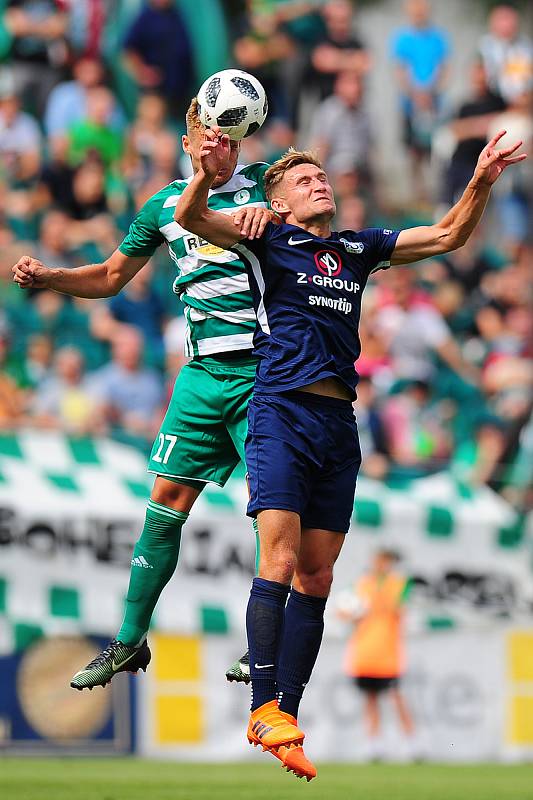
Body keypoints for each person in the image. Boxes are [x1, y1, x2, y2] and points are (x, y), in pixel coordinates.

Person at [172, 123, 525, 780]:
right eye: (304, 180)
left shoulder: (356, 249)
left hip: (340, 425)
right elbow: (191, 216)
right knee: (276, 558)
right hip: (281, 412)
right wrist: (204, 169)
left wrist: (479, 179)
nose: (319, 182)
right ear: (278, 202)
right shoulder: (265, 237)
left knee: (318, 577)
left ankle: (286, 716)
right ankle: (261, 708)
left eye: (321, 176)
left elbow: (447, 235)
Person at [11, 98, 275, 691]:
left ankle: (264, 642)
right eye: (208, 139)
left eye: (229, 139)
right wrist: (52, 276)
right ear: (188, 144)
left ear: (242, 139)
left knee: (273, 502)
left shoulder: (268, 183)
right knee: (165, 501)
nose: (219, 149)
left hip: (264, 371)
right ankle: (128, 641)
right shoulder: (163, 206)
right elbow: (109, 276)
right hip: (201, 376)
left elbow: (317, 211)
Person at [339, 549, 416, 761]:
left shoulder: (398, 583)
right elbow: (344, 610)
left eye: (385, 561)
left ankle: (411, 742)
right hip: (364, 652)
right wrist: (351, 611)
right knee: (370, 700)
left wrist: (375, 597)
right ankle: (374, 743)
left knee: (396, 698)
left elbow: (398, 607)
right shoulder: (361, 583)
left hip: (388, 653)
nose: (380, 565)